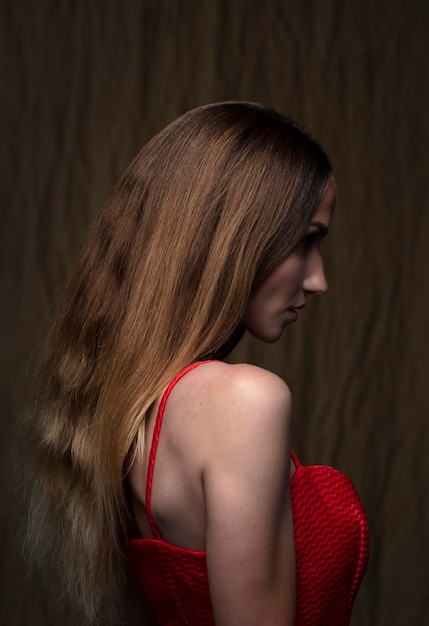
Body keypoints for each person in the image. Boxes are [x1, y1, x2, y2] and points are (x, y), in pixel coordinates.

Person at [24, 102, 369, 625]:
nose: (318, 280)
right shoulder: (242, 402)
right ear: (233, 236)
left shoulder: (134, 405)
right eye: (306, 241)